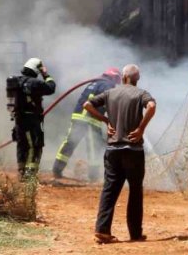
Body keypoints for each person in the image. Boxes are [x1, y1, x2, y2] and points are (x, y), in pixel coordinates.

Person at [84, 64, 156, 244]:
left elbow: (87, 105)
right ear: (136, 79)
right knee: (135, 191)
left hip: (113, 150)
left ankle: (102, 230)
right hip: (133, 151)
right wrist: (140, 129)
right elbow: (152, 106)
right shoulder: (141, 93)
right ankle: (135, 234)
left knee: (109, 189)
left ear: (123, 77)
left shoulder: (110, 93)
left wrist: (106, 120)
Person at [52, 67, 122, 181]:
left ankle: (57, 169)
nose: (116, 84)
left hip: (78, 117)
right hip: (90, 120)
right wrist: (107, 119)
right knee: (94, 147)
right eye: (116, 81)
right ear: (114, 77)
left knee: (70, 143)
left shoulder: (95, 83)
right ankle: (93, 176)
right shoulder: (107, 85)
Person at [11, 57, 57, 178]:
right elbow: (51, 87)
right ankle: (29, 174)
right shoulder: (35, 83)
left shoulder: (16, 81)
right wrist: (45, 74)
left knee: (22, 144)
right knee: (34, 145)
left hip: (19, 119)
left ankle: (22, 170)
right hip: (31, 119)